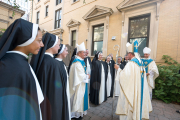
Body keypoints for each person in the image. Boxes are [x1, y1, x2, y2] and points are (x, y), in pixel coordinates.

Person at [0, 19, 44, 120]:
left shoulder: (10, 61)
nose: (42, 44)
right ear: (26, 39)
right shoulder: (19, 68)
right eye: (39, 40)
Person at [30, 33, 69, 120]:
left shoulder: (41, 59)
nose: (59, 47)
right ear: (52, 45)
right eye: (58, 45)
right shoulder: (53, 63)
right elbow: (56, 91)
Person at [114, 40, 152, 120]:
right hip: (139, 90)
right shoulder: (140, 62)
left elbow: (125, 76)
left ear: (130, 54)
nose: (128, 55)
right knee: (137, 102)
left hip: (133, 90)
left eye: (128, 54)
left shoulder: (131, 63)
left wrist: (118, 69)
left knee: (130, 104)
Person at [69, 42, 90, 119]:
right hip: (78, 85)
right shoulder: (77, 62)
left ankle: (79, 113)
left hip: (82, 84)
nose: (85, 53)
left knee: (81, 99)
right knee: (78, 99)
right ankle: (76, 115)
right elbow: (80, 76)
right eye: (84, 52)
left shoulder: (80, 61)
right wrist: (87, 76)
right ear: (79, 53)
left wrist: (86, 75)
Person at [55, 44, 71, 120]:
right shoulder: (56, 63)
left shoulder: (62, 63)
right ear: (61, 51)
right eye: (66, 50)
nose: (67, 52)